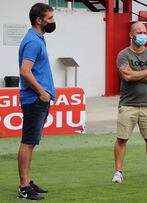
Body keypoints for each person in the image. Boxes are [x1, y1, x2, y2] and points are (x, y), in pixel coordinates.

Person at [112, 22, 147, 183]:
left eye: (144, 32)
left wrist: (137, 73)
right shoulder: (123, 55)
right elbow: (126, 76)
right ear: (131, 35)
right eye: (139, 32)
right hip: (128, 104)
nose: (143, 35)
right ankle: (118, 172)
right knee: (122, 139)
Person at [17, 3, 57, 201]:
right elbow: (25, 71)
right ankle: (24, 187)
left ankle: (27, 180)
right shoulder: (33, 41)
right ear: (39, 20)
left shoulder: (37, 38)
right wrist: (42, 92)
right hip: (34, 99)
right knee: (28, 142)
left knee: (31, 143)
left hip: (37, 98)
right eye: (49, 19)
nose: (53, 22)